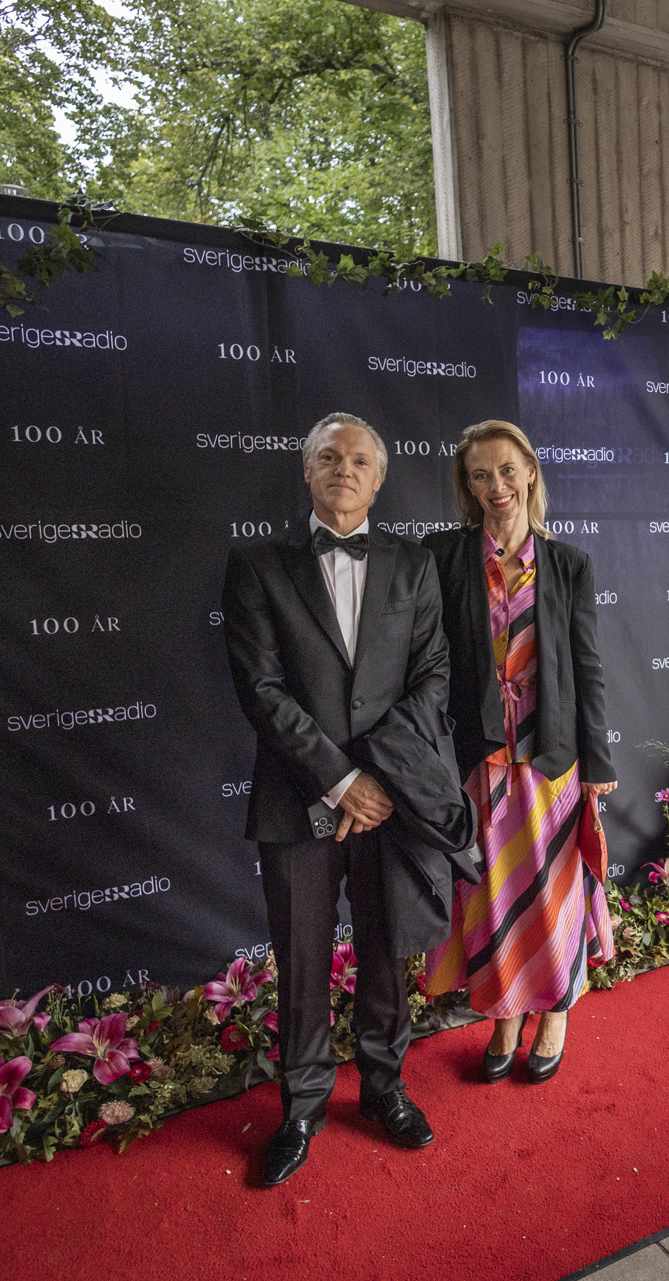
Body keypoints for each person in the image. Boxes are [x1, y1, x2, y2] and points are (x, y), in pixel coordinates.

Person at [223, 412, 473, 1186]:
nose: (344, 469)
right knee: (301, 957)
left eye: (360, 459)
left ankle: (384, 1087)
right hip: (298, 798)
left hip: (393, 800)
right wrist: (342, 780)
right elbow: (262, 689)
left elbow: (434, 673)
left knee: (386, 950)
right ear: (307, 470)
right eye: (329, 457)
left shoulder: (413, 564)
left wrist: (381, 778)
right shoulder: (258, 564)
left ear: (379, 477)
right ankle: (301, 1106)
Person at [422, 420, 617, 1084]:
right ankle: (505, 1013)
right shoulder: (443, 557)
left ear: (530, 471)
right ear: (467, 485)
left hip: (551, 756)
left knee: (554, 894)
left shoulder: (568, 564)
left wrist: (598, 761)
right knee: (493, 896)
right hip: (477, 759)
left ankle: (556, 1011)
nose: (496, 485)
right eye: (481, 474)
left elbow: (587, 668)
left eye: (507, 470)